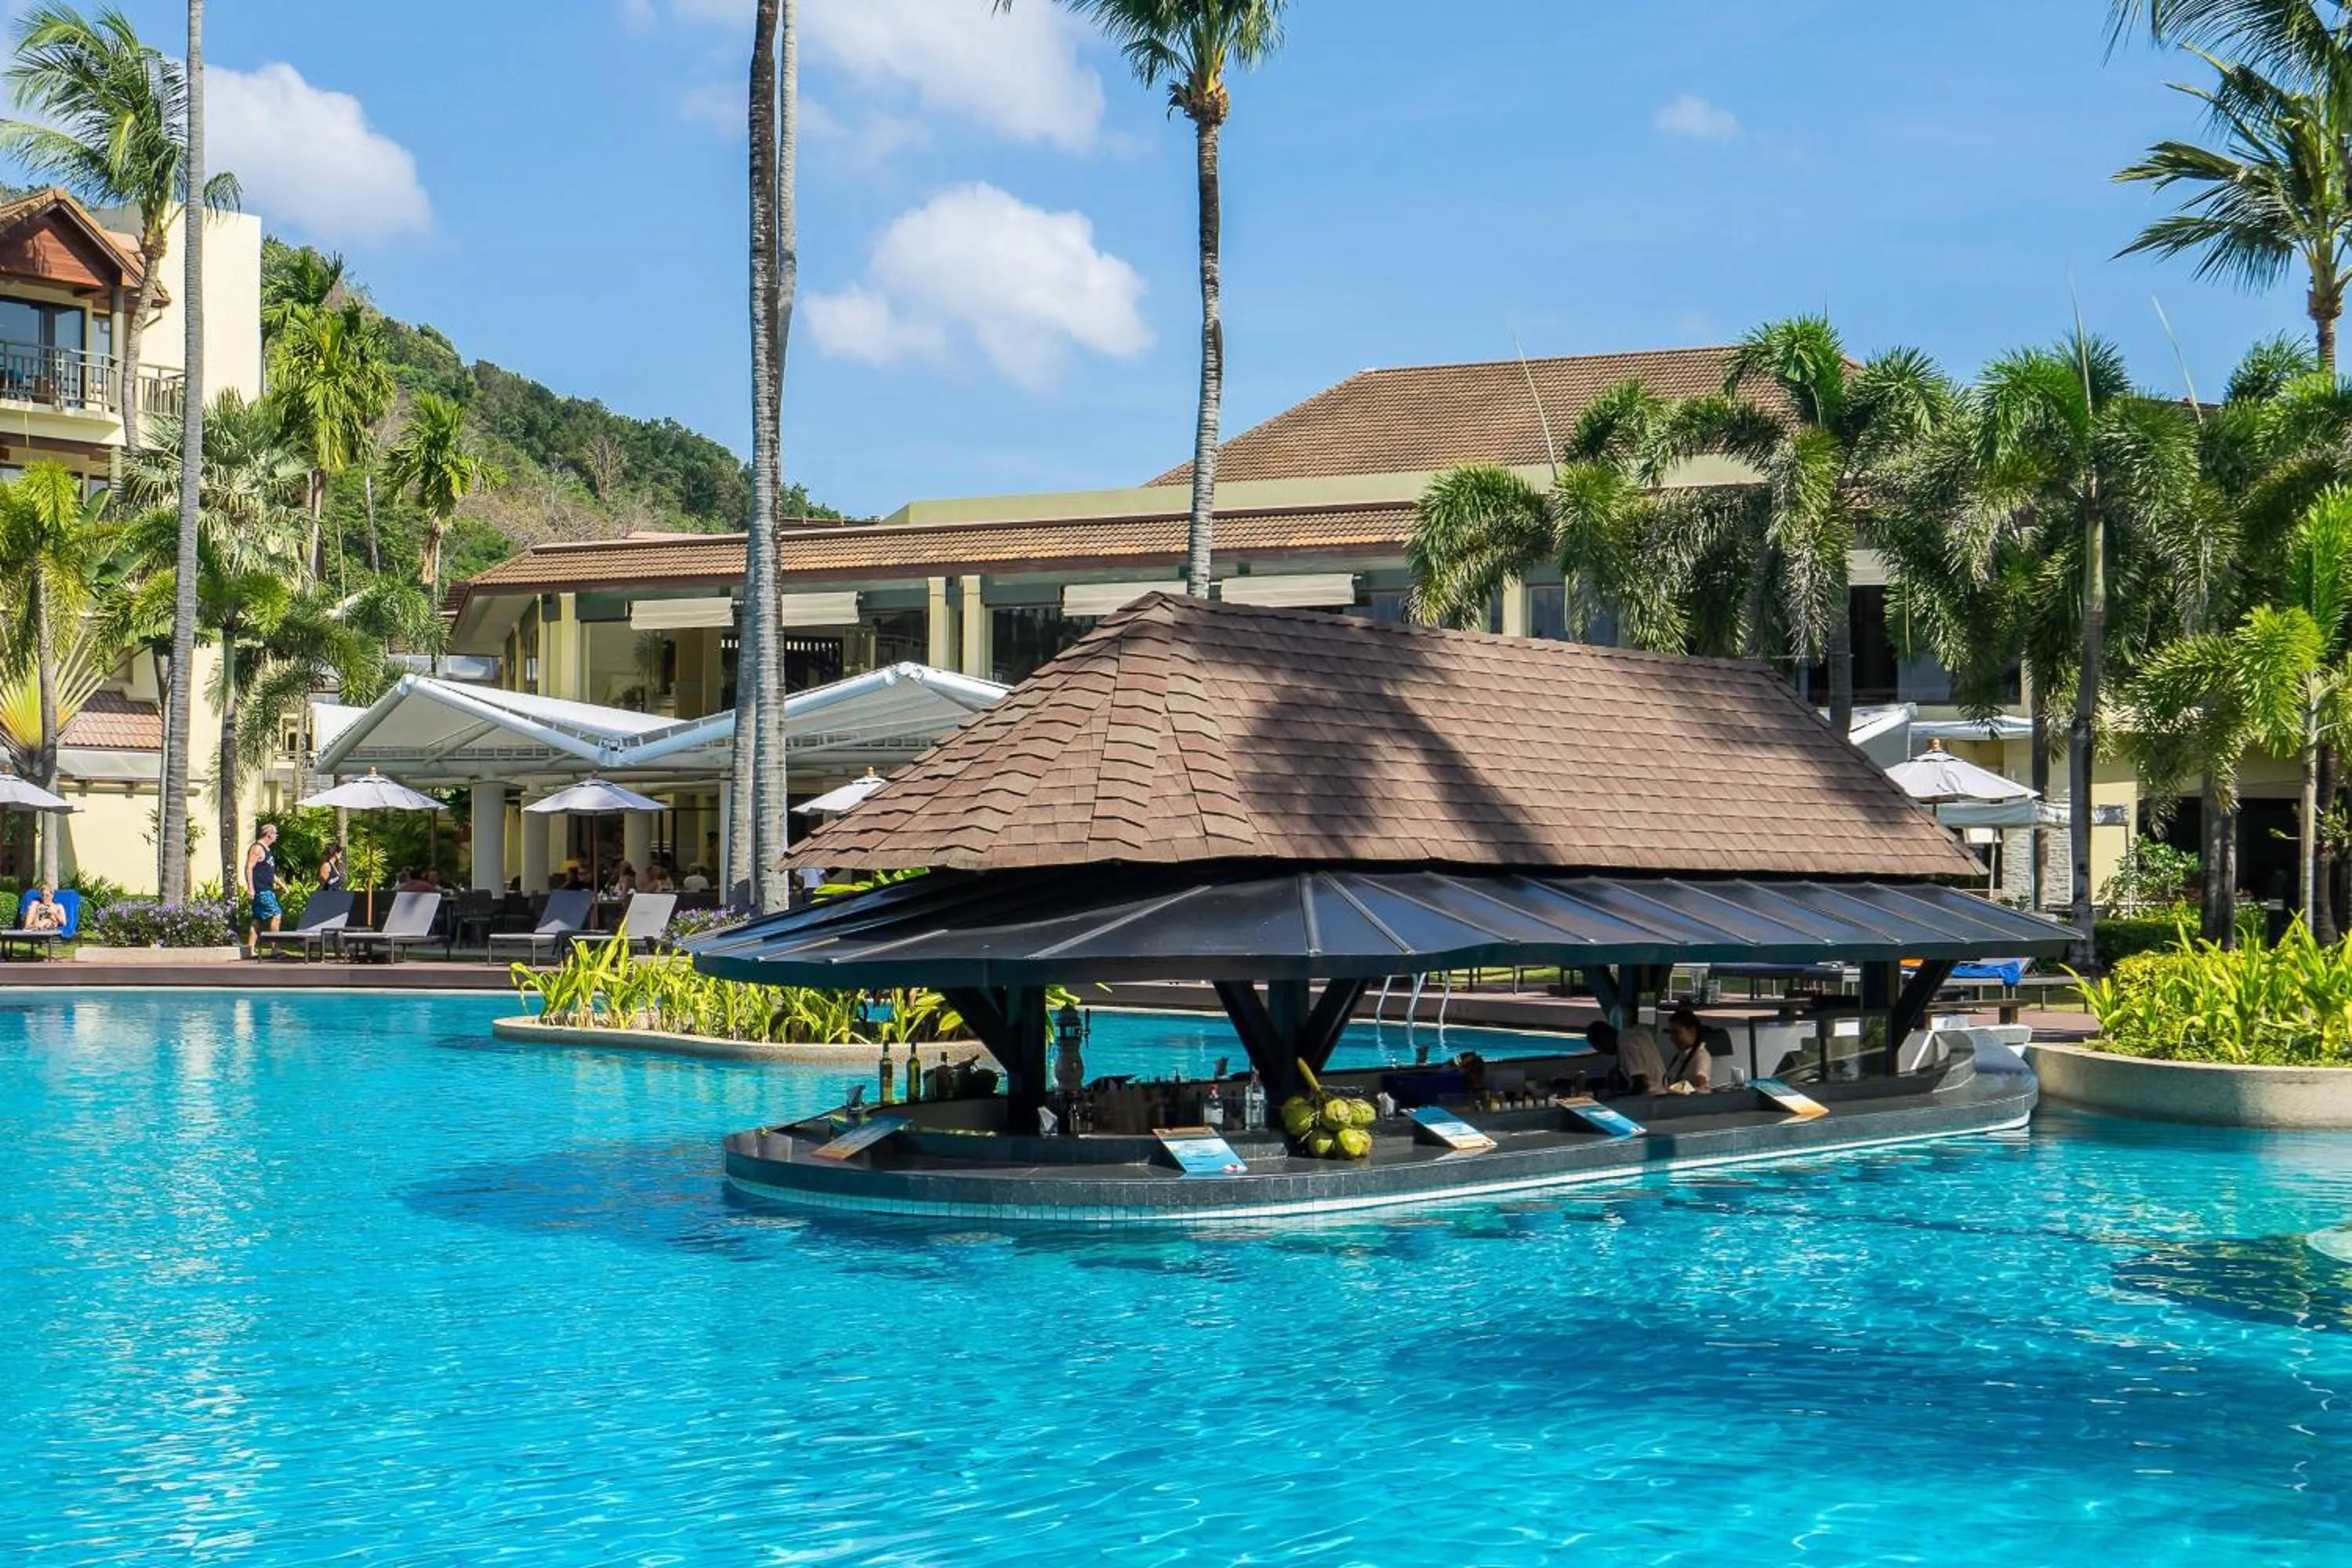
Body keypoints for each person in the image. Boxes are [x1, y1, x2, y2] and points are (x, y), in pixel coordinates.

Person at [1584, 1017, 1667, 1094]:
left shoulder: (1626, 1046)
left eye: (1599, 1046)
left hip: (1651, 1097)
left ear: (1604, 1039)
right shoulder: (1636, 1032)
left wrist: (1618, 1097)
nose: (1603, 1051)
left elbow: (1642, 1085)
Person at [243, 822, 281, 953]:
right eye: (275, 834)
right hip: (261, 890)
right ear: (269, 834)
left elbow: (269, 871)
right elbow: (249, 867)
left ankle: (250, 949)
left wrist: (282, 885)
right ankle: (275, 948)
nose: (276, 836)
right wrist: (250, 888)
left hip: (267, 889)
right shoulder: (257, 848)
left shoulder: (267, 850)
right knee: (276, 915)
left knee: (258, 920)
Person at [1665, 1007, 1714, 1091]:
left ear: (1692, 1031)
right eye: (1671, 1033)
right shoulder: (1683, 1054)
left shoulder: (1700, 1056)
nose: (1672, 1038)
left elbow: (1702, 1085)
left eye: (1676, 1033)